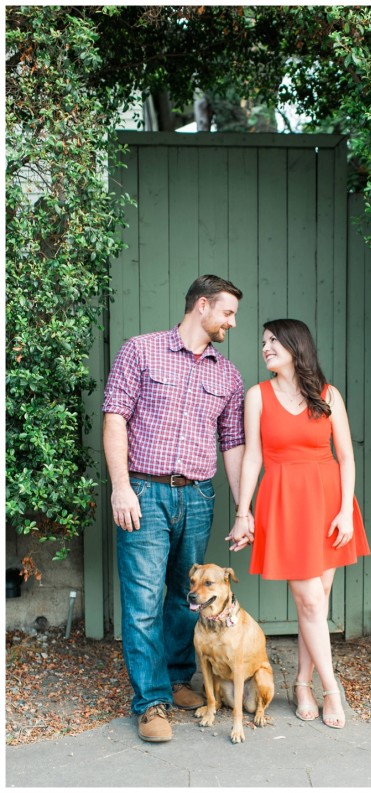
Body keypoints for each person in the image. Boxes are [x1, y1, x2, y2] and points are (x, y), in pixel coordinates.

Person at [102, 274, 252, 743]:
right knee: (143, 601)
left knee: (186, 597)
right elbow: (114, 417)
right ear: (202, 306)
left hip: (198, 497)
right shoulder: (140, 351)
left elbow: (232, 444)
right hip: (144, 491)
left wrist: (243, 509)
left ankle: (177, 679)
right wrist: (120, 487)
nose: (232, 322)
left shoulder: (226, 373)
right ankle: (150, 704)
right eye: (228, 312)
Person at [226, 318, 370, 729]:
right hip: (285, 503)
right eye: (264, 342)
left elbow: (346, 457)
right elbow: (252, 457)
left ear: (296, 346)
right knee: (309, 601)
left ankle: (303, 683)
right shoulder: (257, 395)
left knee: (318, 600)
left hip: (328, 503)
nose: (266, 347)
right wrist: (243, 511)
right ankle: (331, 689)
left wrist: (345, 509)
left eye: (273, 341)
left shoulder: (328, 395)